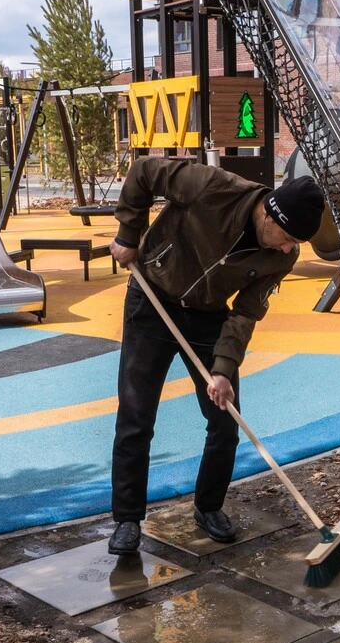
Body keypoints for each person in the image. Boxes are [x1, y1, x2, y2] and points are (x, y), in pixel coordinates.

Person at [106, 159, 327, 556]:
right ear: (269, 214)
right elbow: (143, 173)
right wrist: (128, 234)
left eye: (295, 243)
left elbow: (246, 313)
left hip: (208, 317)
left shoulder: (281, 256)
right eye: (288, 237)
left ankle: (208, 506)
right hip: (152, 299)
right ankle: (127, 518)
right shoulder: (213, 187)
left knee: (225, 420)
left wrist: (223, 369)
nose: (289, 248)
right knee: (136, 416)